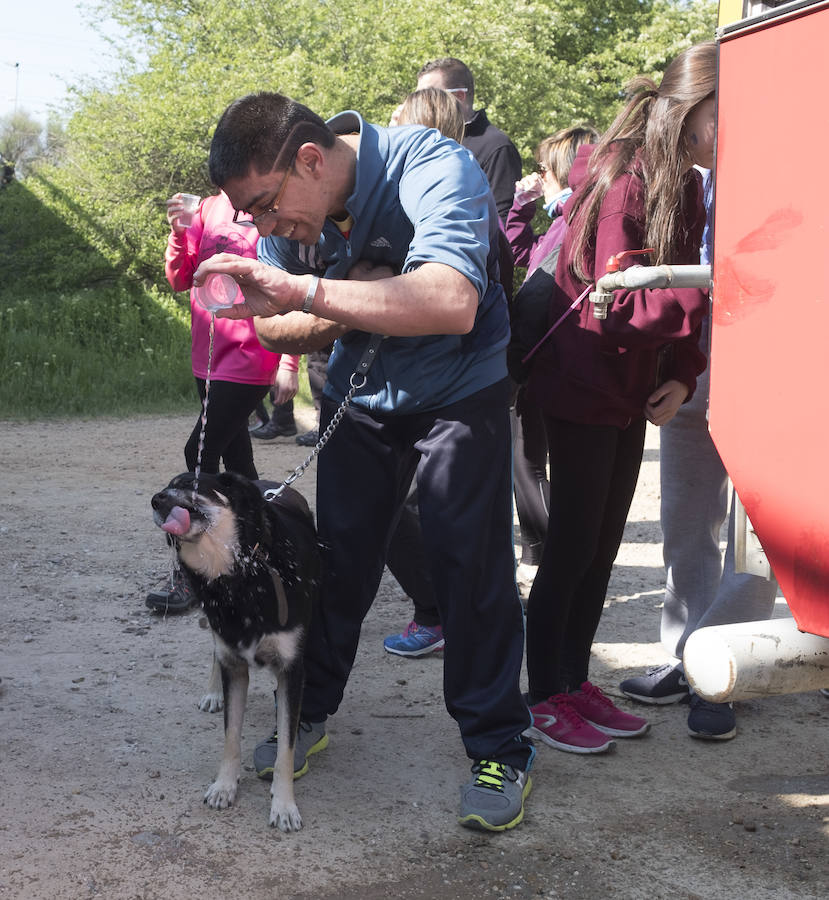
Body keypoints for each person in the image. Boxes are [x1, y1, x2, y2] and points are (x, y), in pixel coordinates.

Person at [197, 91, 535, 832]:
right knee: (335, 562)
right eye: (248, 216)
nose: (263, 229)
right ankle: (306, 712)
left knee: (465, 564)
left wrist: (314, 293)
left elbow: (450, 300)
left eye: (263, 205)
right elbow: (283, 327)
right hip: (360, 396)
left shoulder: (432, 164)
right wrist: (348, 298)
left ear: (310, 160)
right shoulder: (291, 215)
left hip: (459, 391)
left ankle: (498, 746)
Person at [522, 41, 716, 755]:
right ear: (691, 109)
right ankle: (542, 695)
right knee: (571, 545)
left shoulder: (688, 185)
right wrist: (714, 306)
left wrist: (685, 370)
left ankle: (572, 681)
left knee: (601, 547)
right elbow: (617, 307)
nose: (732, 134)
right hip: (580, 382)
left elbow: (680, 286)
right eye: (725, 116)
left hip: (634, 387)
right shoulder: (622, 178)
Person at [619, 168, 779, 740]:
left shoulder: (783, 157)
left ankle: (725, 668)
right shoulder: (685, 169)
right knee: (685, 515)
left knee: (754, 526)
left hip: (769, 335)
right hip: (694, 344)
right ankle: (686, 654)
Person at [145, 190, 299, 613]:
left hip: (251, 355)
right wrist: (179, 233)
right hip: (207, 356)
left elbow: (289, 283)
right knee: (240, 466)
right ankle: (261, 558)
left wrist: (289, 360)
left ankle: (194, 576)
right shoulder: (207, 208)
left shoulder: (270, 206)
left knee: (198, 453)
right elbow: (180, 278)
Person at [504, 125, 599, 591]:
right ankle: (543, 555)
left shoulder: (573, 221)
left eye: (542, 168)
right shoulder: (562, 219)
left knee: (525, 461)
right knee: (527, 461)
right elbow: (521, 253)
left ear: (563, 169)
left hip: (544, 359)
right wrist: (521, 208)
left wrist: (515, 362)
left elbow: (541, 293)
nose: (537, 176)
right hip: (542, 357)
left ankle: (556, 559)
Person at [415, 57, 521, 222]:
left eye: (429, 95)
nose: (418, 104)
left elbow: (504, 222)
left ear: (459, 96)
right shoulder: (425, 142)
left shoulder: (496, 146)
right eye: (417, 96)